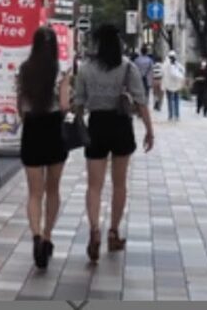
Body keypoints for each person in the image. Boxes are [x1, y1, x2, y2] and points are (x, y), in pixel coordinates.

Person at [72, 24, 155, 263]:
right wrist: (149, 131)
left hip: (96, 124)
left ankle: (94, 231)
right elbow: (140, 102)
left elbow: (79, 103)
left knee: (94, 185)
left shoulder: (86, 69)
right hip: (121, 125)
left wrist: (79, 126)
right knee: (119, 184)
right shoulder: (128, 68)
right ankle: (113, 232)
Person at [18, 26, 70, 270]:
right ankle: (48, 236)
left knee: (34, 192)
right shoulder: (61, 71)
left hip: (31, 130)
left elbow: (20, 107)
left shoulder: (24, 70)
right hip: (53, 130)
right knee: (53, 188)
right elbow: (64, 105)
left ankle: (35, 235)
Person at [160, 51, 185, 121]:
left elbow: (163, 74)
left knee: (171, 100)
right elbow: (181, 72)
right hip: (174, 85)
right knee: (175, 100)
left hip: (170, 85)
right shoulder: (175, 65)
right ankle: (175, 115)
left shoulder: (166, 65)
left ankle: (171, 115)